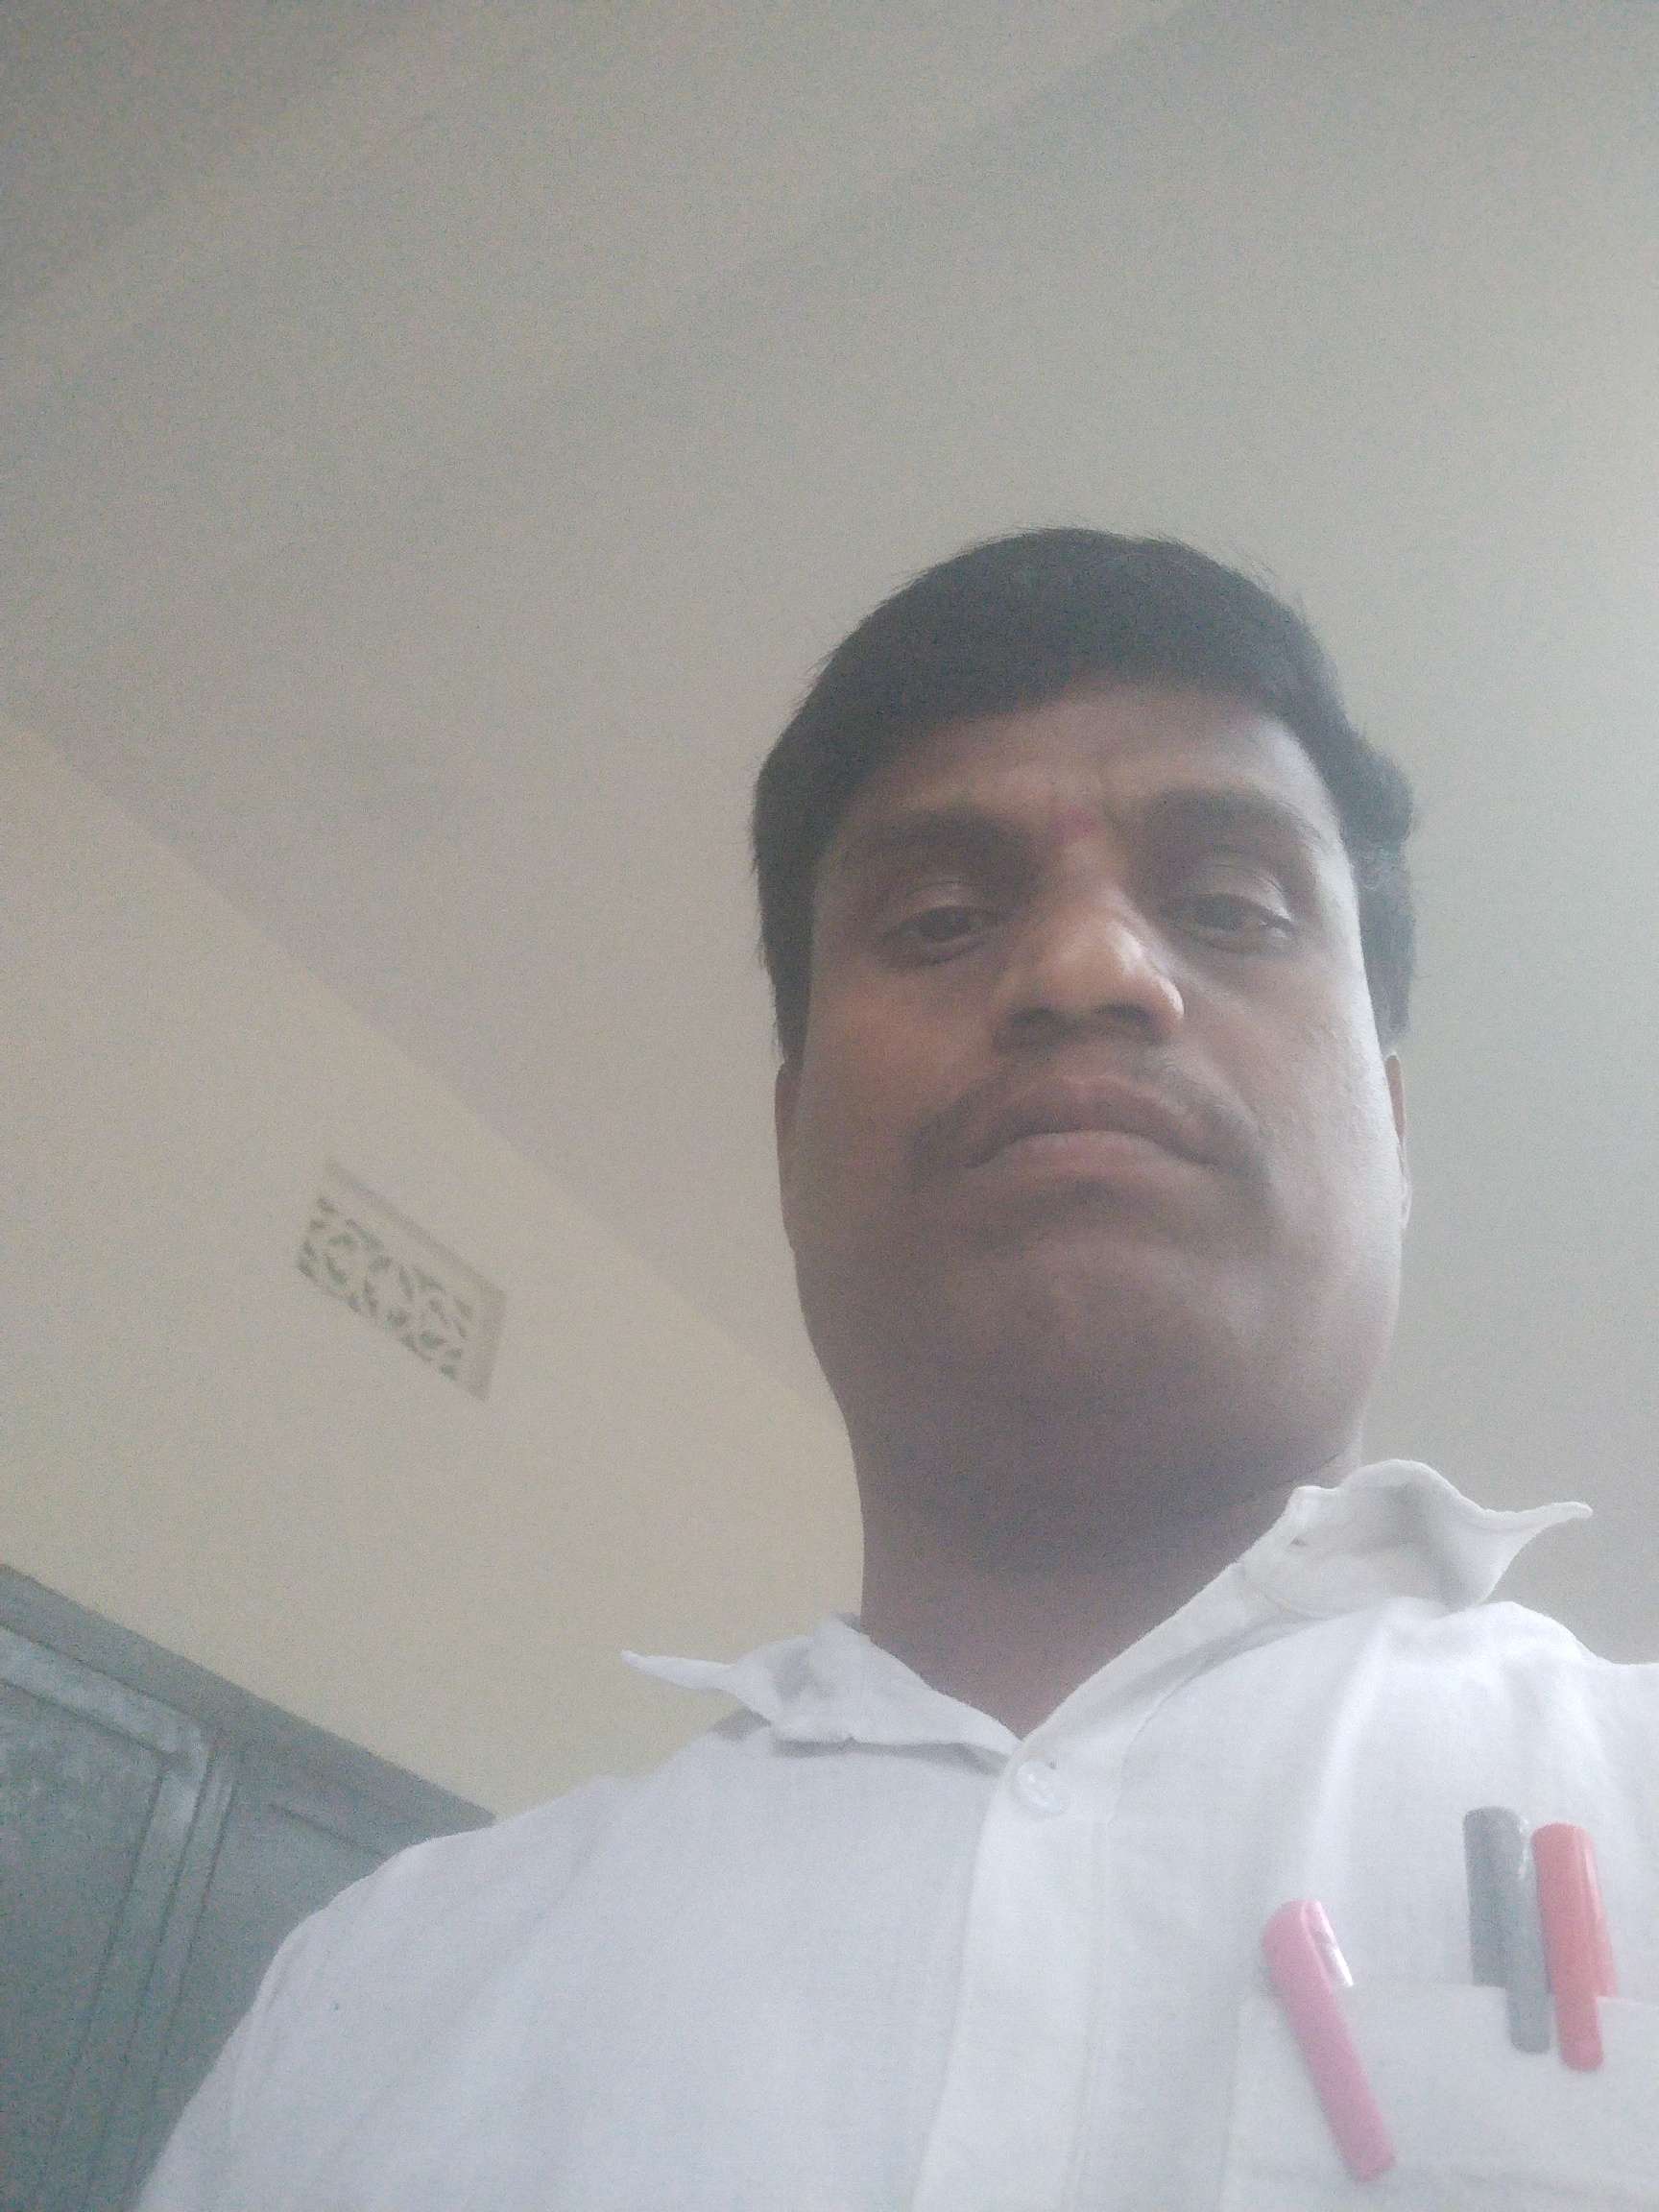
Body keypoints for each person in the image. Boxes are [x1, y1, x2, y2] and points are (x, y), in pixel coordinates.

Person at [139, 532, 1659, 2210]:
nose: (1087, 971)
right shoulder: (372, 2008)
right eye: (937, 920)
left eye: (1231, 908)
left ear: (1396, 1124)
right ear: (792, 1138)